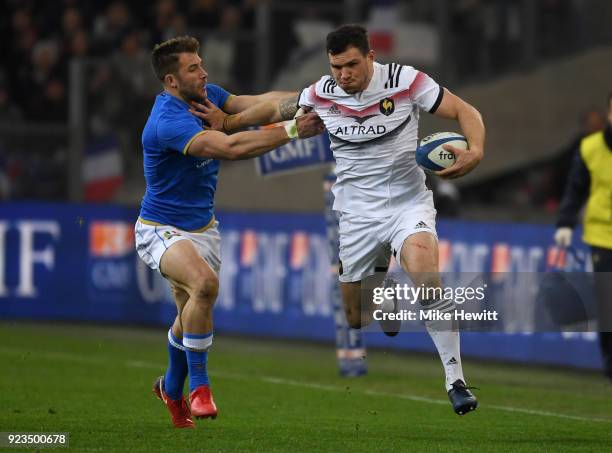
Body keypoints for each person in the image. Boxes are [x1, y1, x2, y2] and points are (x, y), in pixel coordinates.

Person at [193, 25, 485, 415]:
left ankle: (456, 381)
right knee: (355, 316)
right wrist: (227, 122)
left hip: (407, 203)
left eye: (351, 65)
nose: (343, 75)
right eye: (336, 67)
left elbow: (465, 110)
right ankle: (383, 296)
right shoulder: (323, 93)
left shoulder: (406, 81)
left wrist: (477, 150)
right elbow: (270, 105)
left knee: (426, 274)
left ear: (370, 57)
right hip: (357, 215)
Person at [135, 35, 324, 429]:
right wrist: (293, 131)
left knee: (188, 317)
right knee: (204, 286)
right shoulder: (168, 122)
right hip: (160, 228)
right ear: (171, 81)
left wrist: (313, 96)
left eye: (201, 64)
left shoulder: (207, 96)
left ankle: (171, 387)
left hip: (204, 230)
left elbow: (260, 104)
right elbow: (232, 147)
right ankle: (200, 388)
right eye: (193, 68)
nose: (203, 72)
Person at [554, 92, 612, 382]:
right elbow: (576, 188)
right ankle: (610, 362)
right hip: (603, 234)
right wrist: (565, 223)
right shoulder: (590, 147)